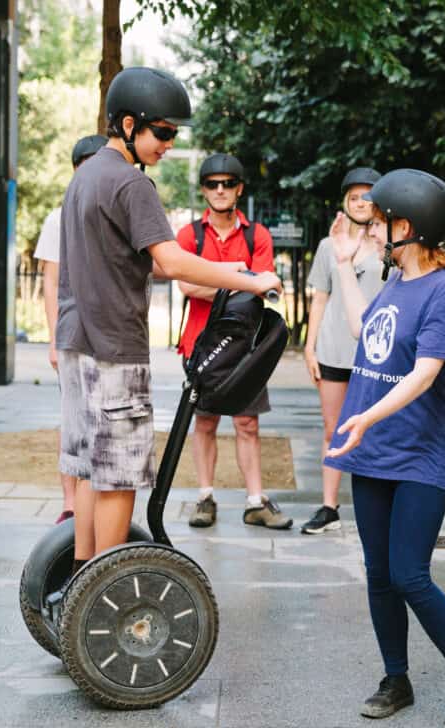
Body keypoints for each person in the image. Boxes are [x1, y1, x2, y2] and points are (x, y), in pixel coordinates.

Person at [57, 67, 282, 573]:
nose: (169, 143)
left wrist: (227, 269)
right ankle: (106, 590)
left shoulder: (86, 176)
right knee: (118, 476)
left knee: (93, 471)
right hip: (114, 346)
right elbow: (174, 261)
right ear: (130, 123)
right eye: (162, 131)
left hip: (77, 344)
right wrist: (251, 280)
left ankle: (81, 577)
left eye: (173, 134)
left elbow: (149, 260)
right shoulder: (131, 183)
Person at [324, 169, 445, 726]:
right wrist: (346, 267)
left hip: (420, 454)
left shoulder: (444, 290)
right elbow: (360, 330)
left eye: (384, 222)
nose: (375, 229)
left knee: (410, 575)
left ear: (411, 227)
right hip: (374, 452)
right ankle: (396, 679)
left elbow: (425, 374)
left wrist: (365, 415)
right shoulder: (395, 282)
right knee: (378, 574)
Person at [178, 153, 291, 530]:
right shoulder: (188, 235)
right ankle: (205, 497)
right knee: (205, 422)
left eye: (228, 183)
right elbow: (185, 283)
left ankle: (255, 502)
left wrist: (214, 283)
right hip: (200, 344)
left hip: (247, 346)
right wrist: (243, 280)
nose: (220, 190)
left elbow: (261, 289)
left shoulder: (256, 235)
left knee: (248, 424)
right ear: (203, 190)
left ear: (239, 189)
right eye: (213, 184)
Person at [299, 166, 383, 535]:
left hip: (376, 351)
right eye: (354, 196)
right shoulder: (327, 246)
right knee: (333, 427)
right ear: (345, 202)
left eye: (368, 196)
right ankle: (329, 506)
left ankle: (379, 504)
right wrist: (310, 345)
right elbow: (320, 297)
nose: (361, 202)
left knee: (377, 426)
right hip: (334, 348)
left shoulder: (387, 244)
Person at [34, 133, 107, 525]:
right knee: (73, 420)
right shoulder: (58, 216)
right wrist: (52, 337)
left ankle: (98, 495)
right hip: (73, 333)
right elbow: (51, 280)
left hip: (108, 335)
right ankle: (70, 502)